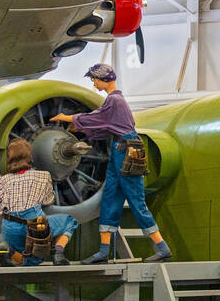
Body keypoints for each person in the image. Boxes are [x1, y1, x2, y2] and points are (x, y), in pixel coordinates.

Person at [51, 63, 172, 263]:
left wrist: (69, 117)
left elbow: (98, 118)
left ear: (103, 79)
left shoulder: (114, 101)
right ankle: (103, 252)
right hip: (119, 149)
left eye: (94, 80)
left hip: (126, 151)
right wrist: (82, 130)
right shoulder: (115, 102)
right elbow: (108, 126)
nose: (94, 84)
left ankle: (162, 248)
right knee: (110, 198)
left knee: (136, 201)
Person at [0, 138, 78, 266]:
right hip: (35, 226)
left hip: (10, 229)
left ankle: (7, 250)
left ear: (9, 157)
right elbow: (48, 200)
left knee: (28, 258)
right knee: (70, 221)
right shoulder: (43, 176)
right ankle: (58, 253)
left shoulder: (1, 181)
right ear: (29, 156)